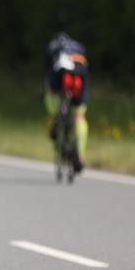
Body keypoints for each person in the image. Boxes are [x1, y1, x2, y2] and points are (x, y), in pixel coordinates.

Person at [43, 32, 89, 173]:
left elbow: (48, 70)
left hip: (60, 72)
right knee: (79, 117)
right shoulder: (79, 47)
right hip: (80, 74)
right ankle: (80, 156)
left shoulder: (53, 46)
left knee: (50, 92)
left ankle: (55, 120)